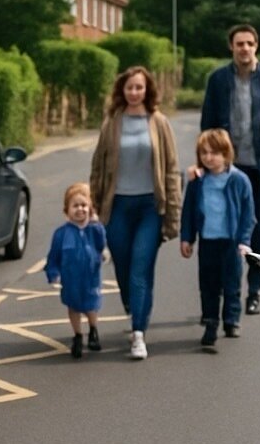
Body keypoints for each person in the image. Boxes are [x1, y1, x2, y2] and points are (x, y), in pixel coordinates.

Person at [200, 24, 260, 316]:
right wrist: (205, 162)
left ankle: (254, 291)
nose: (244, 48)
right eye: (239, 43)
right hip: (227, 169)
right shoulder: (218, 80)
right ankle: (228, 292)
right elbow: (208, 124)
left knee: (257, 230)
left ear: (256, 46)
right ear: (232, 47)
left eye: (249, 43)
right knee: (226, 230)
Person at [89, 66, 181, 360]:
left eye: (139, 87)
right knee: (123, 267)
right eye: (129, 87)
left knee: (141, 269)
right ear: (122, 90)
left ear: (147, 90)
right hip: (117, 206)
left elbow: (171, 170)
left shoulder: (159, 122)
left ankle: (138, 332)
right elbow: (98, 166)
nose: (134, 92)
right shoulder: (112, 122)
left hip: (149, 208)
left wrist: (173, 214)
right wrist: (94, 205)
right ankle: (132, 306)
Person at [178, 129, 255, 352]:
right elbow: (188, 211)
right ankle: (210, 323)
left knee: (231, 284)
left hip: (231, 243)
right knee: (208, 285)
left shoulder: (239, 180)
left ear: (226, 153)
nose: (208, 157)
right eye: (204, 153)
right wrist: (187, 238)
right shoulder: (198, 181)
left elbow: (248, 215)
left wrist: (244, 240)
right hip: (208, 241)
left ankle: (231, 319)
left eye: (214, 153)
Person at [45, 183, 107, 359]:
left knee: (91, 306)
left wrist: (96, 224)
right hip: (70, 279)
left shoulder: (94, 229)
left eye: (84, 205)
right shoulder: (61, 234)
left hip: (90, 278)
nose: (80, 209)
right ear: (67, 210)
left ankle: (93, 330)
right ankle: (78, 335)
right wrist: (53, 273)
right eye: (75, 206)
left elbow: (102, 243)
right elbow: (53, 256)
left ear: (90, 208)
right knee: (73, 307)